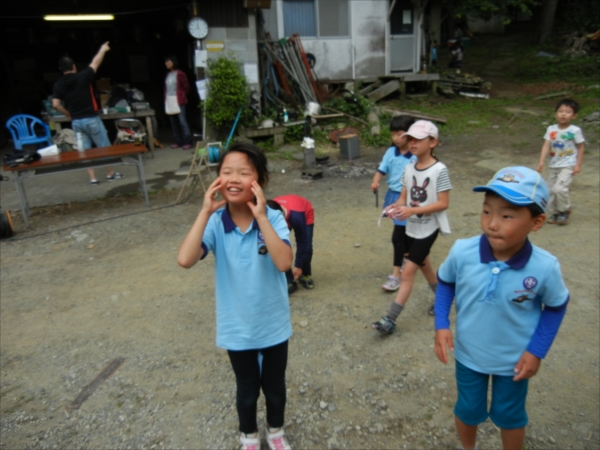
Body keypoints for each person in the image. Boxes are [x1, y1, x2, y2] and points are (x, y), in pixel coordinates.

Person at [434, 166, 569, 450]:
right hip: (469, 355)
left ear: (537, 221)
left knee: (510, 415)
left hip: (515, 361)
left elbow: (556, 307)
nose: (492, 223)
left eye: (506, 215)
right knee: (468, 409)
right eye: (486, 211)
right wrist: (441, 324)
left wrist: (537, 351)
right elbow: (446, 283)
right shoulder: (462, 252)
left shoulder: (544, 266)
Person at [177, 143, 293, 450]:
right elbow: (186, 259)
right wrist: (204, 211)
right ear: (217, 180)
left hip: (273, 323)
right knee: (246, 390)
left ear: (261, 180)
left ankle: (276, 432)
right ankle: (249, 436)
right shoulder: (216, 223)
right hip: (236, 327)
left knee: (275, 388)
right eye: (226, 172)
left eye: (244, 172)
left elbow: (284, 263)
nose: (234, 178)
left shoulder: (274, 217)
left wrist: (262, 217)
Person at [371, 120, 451, 334]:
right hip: (412, 227)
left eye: (418, 139)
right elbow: (403, 199)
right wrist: (393, 209)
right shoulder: (409, 169)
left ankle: (390, 319)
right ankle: (444, 297)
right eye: (411, 138)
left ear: (433, 142)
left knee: (407, 273)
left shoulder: (439, 170)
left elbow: (443, 203)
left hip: (429, 228)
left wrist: (411, 211)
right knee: (424, 265)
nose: (412, 142)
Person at [52, 42, 124, 185]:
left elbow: (55, 104)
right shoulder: (82, 77)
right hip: (92, 119)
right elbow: (95, 63)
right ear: (74, 67)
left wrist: (68, 114)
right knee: (104, 148)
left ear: (61, 69)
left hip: (77, 123)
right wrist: (103, 49)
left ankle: (93, 178)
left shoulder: (59, 84)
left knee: (84, 151)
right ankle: (110, 174)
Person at [370, 115, 416, 292]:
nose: (396, 138)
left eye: (400, 134)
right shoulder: (391, 152)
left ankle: (397, 274)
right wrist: (375, 181)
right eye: (393, 134)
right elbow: (381, 170)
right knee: (401, 233)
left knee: (400, 235)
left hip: (410, 199)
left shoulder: (416, 155)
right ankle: (404, 260)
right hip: (393, 196)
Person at [536, 98, 585, 225]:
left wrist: (578, 165)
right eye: (560, 111)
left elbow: (581, 147)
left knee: (560, 188)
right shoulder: (551, 129)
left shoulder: (575, 130)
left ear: (574, 116)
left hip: (568, 164)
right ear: (555, 114)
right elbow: (546, 145)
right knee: (549, 189)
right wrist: (541, 161)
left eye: (568, 112)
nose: (563, 114)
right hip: (553, 164)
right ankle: (555, 212)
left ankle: (565, 210)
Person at [267, 195, 315, 295]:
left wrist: (298, 266)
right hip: (287, 213)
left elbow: (302, 241)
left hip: (304, 213)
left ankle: (304, 274)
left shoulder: (296, 216)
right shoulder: (268, 212)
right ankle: (289, 280)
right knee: (281, 247)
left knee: (307, 247)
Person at [164, 56, 192, 150]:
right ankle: (178, 141)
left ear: (173, 62)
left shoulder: (180, 74)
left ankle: (187, 141)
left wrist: (182, 95)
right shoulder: (168, 74)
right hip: (169, 100)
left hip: (179, 100)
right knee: (173, 123)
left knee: (182, 121)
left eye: (168, 61)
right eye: (166, 62)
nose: (166, 63)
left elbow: (186, 87)